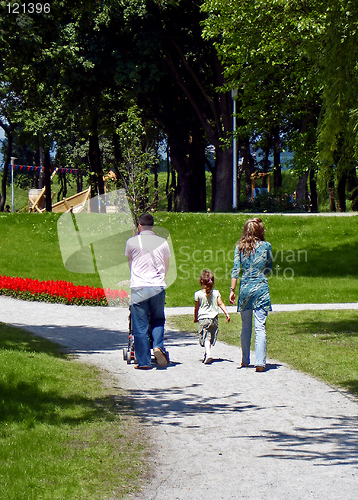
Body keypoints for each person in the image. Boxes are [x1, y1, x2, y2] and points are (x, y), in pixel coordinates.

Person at [125, 213, 170, 369]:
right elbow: (166, 265)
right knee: (158, 319)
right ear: (152, 226)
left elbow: (130, 264)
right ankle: (158, 346)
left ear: (139, 225)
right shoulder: (162, 242)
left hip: (139, 286)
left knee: (140, 324)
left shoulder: (131, 242)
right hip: (157, 285)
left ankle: (143, 362)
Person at [229, 218, 272, 372]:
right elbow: (269, 267)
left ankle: (245, 359)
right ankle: (260, 362)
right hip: (261, 287)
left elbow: (235, 270)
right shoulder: (266, 246)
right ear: (259, 231)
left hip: (245, 288)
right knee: (260, 326)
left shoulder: (240, 247)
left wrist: (232, 290)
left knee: (246, 326)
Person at [194, 270, 230, 364]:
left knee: (205, 337)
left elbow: (196, 308)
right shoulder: (216, 293)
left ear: (201, 281)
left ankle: (208, 354)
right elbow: (221, 304)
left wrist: (195, 317)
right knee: (209, 337)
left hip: (203, 318)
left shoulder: (198, 294)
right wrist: (226, 313)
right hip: (214, 318)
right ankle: (207, 353)